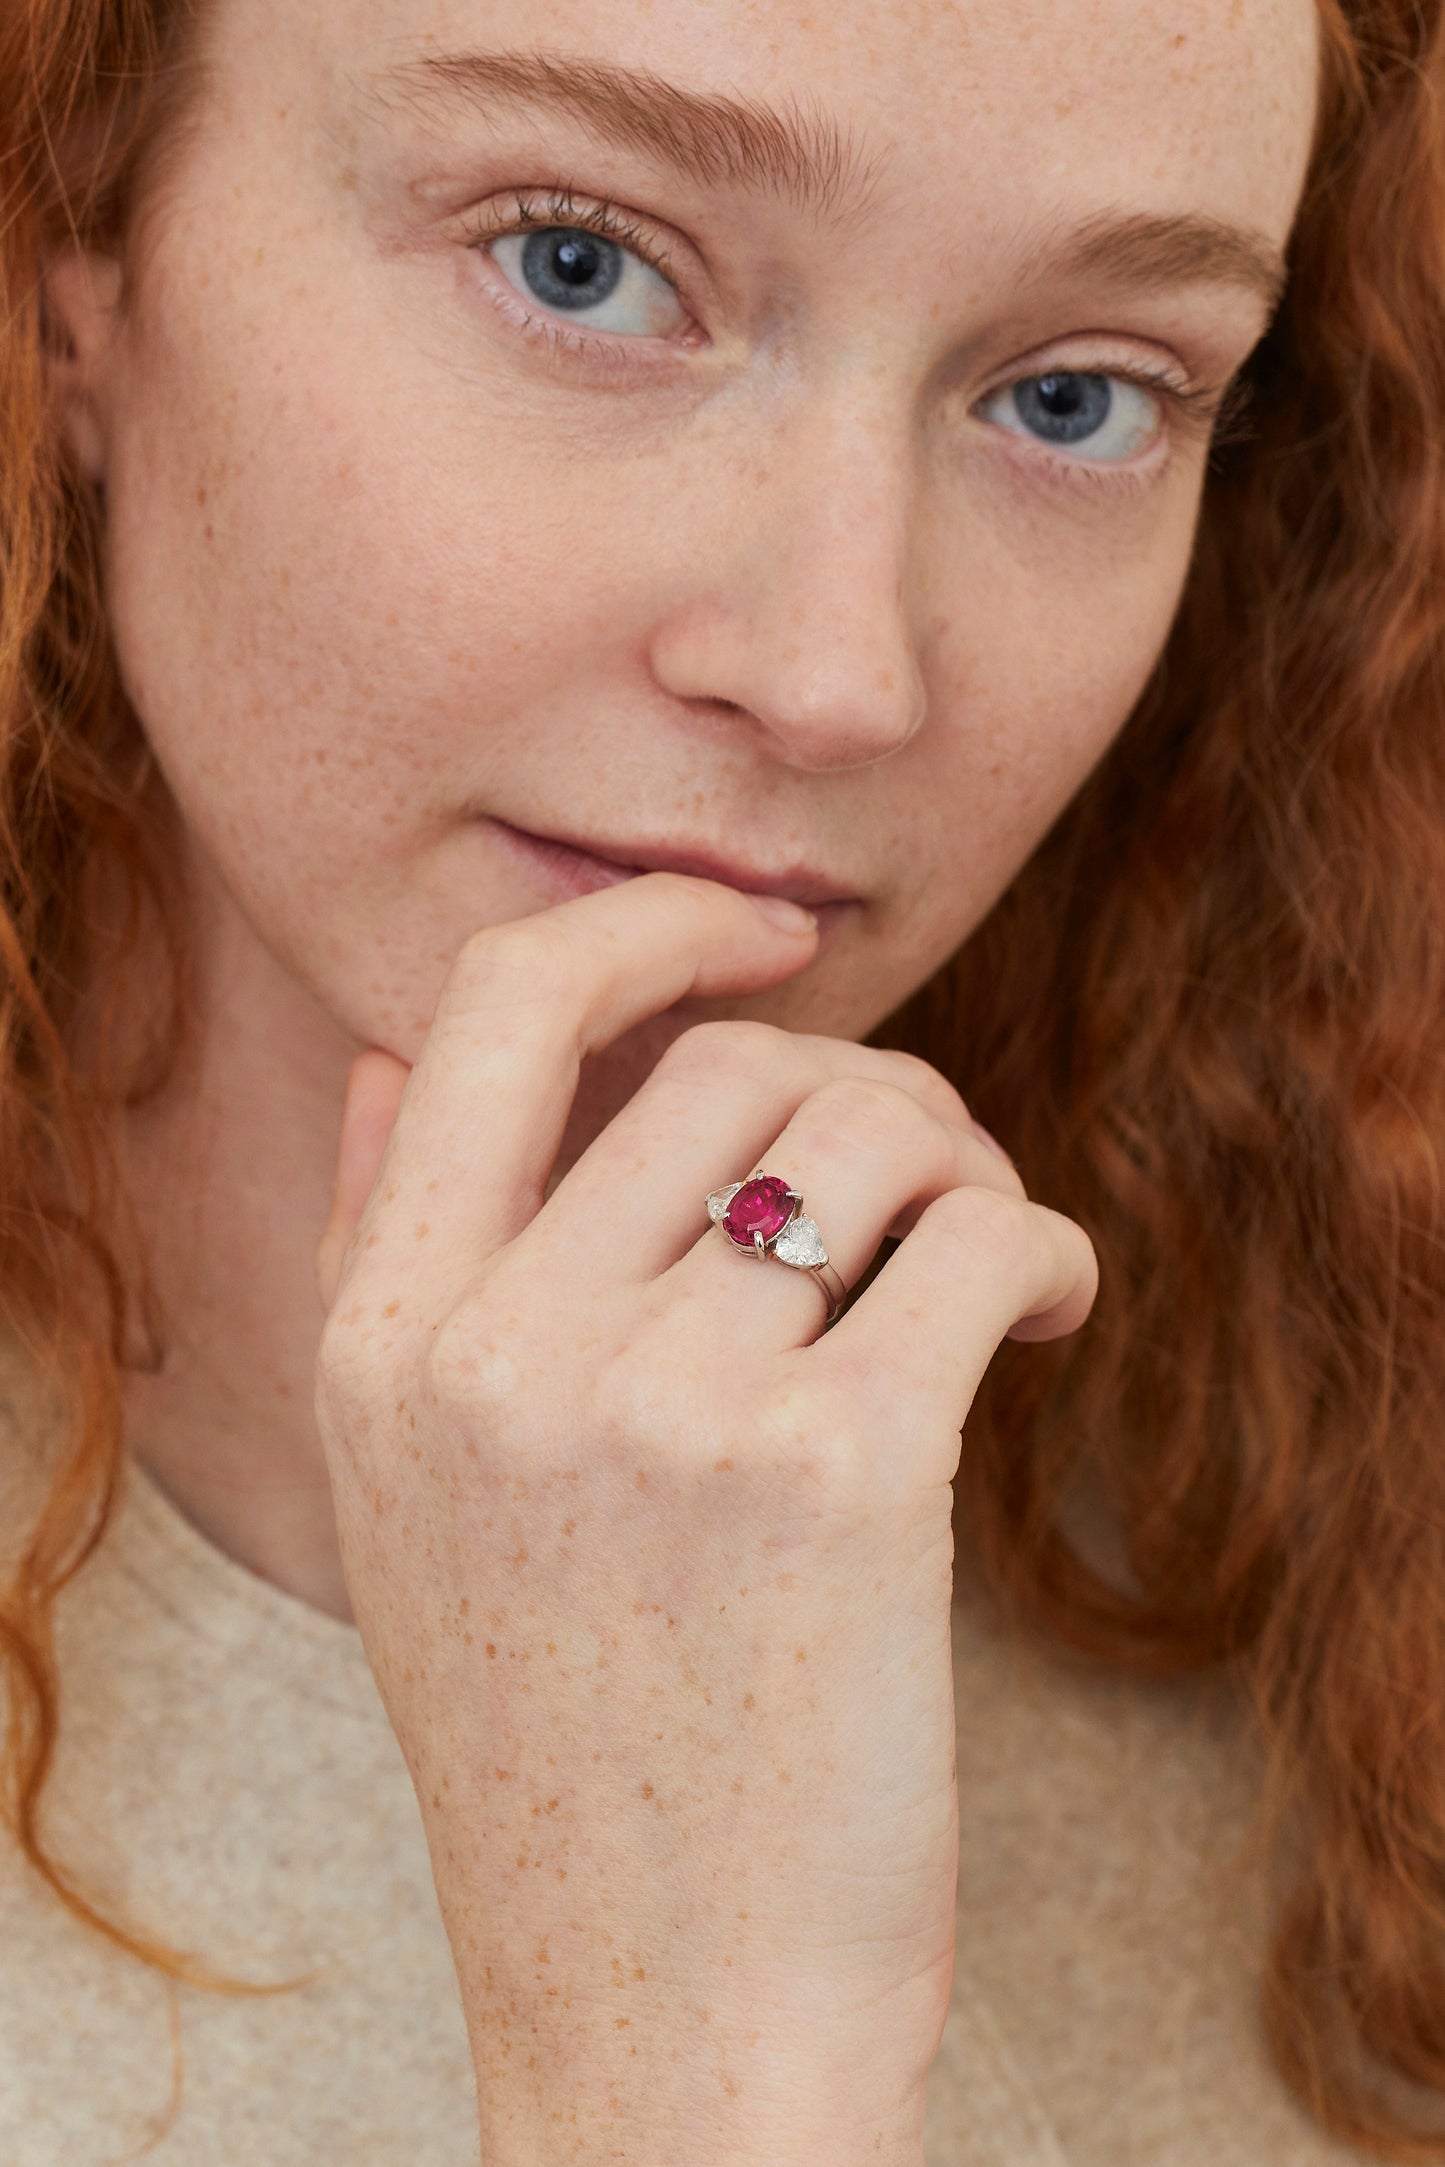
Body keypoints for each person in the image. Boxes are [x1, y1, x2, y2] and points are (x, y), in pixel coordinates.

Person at [1, 0, 1442, 2157]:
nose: (837, 670)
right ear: (74, 259)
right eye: (578, 262)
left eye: (1078, 395)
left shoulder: (1356, 1585)